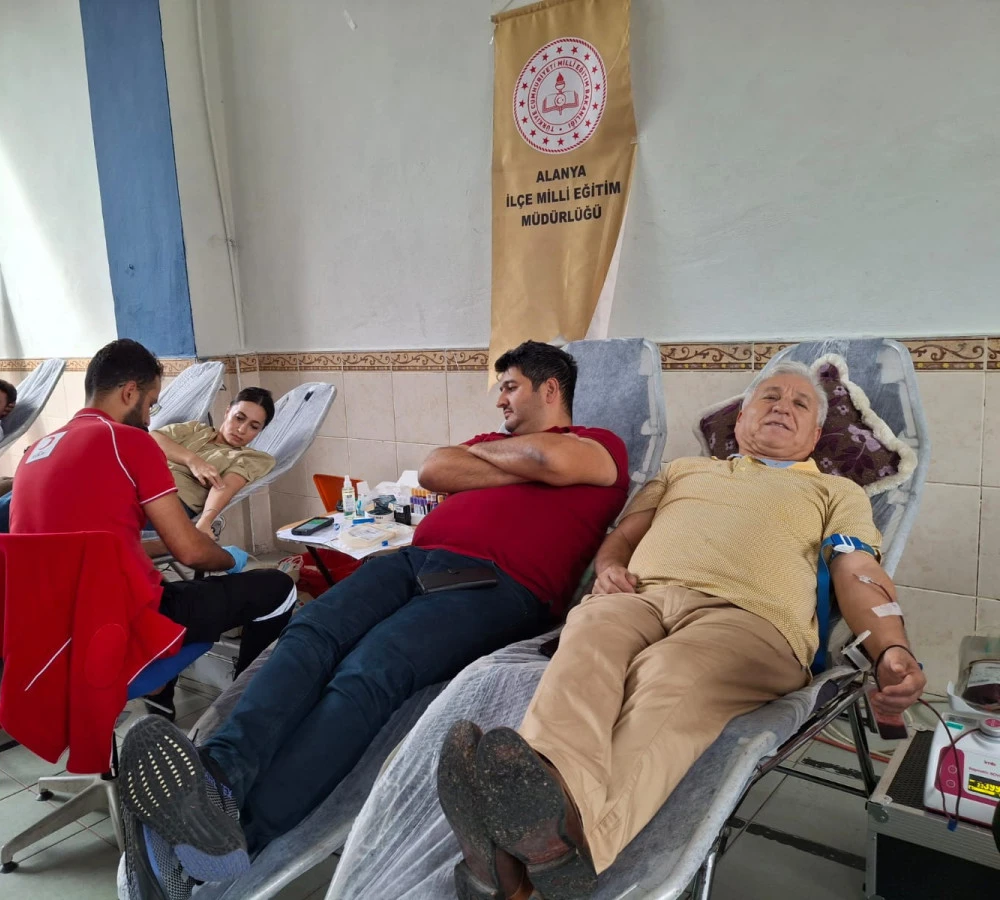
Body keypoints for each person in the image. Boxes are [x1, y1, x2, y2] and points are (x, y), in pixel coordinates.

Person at [115, 340, 631, 899]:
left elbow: (550, 460)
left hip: (500, 585)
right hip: (412, 560)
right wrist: (524, 470)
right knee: (309, 633)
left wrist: (504, 466)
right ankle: (215, 783)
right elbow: (436, 468)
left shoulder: (601, 445)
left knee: (371, 669)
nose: (500, 401)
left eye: (510, 387)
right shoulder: (495, 442)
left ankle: (240, 835)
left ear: (550, 389)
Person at [433, 361, 927, 900]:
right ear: (741, 420)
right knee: (589, 633)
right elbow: (625, 536)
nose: (782, 406)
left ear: (814, 436)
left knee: (669, 671)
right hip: (639, 599)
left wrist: (890, 648)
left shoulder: (837, 492)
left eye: (799, 403)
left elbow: (858, 572)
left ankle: (543, 852)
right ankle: (537, 835)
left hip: (750, 619)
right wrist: (608, 568)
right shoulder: (682, 472)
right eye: (769, 397)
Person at [0, 340, 295, 693]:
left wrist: (199, 525)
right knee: (277, 587)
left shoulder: (47, 445)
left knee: (11, 493)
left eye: (253, 426)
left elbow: (213, 495)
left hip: (38, 635)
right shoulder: (138, 441)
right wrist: (226, 557)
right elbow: (188, 551)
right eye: (150, 405)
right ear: (130, 393)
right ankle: (243, 701)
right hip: (112, 624)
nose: (149, 417)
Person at [147, 387, 276, 543]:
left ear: (260, 431)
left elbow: (225, 486)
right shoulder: (196, 429)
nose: (242, 429)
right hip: (138, 486)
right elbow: (151, 439)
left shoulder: (250, 458)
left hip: (168, 503)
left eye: (254, 427)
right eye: (239, 418)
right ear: (227, 411)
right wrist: (193, 461)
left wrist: (206, 520)